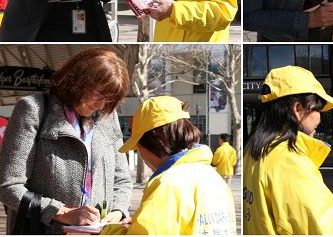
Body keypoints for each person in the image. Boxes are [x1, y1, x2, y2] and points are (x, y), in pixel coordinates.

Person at [0, 48, 132, 234]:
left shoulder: (108, 117)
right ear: (77, 81)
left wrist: (117, 212)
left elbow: (122, 179)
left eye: (110, 99)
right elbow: (8, 187)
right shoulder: (33, 109)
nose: (101, 104)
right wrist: (60, 212)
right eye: (98, 94)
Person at [244, 65, 333, 234]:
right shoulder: (289, 161)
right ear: (298, 109)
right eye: (318, 109)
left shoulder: (254, 151)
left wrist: (325, 202)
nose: (320, 117)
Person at [101, 96, 236, 235]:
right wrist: (140, 220)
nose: (141, 155)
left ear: (153, 142)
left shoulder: (168, 184)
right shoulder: (214, 178)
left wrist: (106, 230)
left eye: (137, 147)